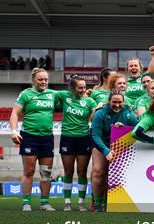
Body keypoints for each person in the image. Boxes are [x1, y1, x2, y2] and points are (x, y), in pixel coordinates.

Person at [9, 68, 56, 211]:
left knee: (46, 172)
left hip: (47, 138)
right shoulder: (26, 94)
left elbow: (73, 97)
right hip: (29, 137)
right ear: (34, 80)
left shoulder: (53, 94)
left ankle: (45, 203)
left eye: (46, 79)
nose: (44, 82)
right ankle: (27, 203)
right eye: (41, 79)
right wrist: (13, 131)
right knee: (29, 171)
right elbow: (14, 113)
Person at [90, 90, 138, 212]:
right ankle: (97, 203)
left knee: (113, 176)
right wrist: (106, 151)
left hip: (120, 146)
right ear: (109, 101)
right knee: (98, 172)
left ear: (124, 102)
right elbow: (95, 135)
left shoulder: (129, 113)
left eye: (120, 102)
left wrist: (124, 129)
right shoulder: (100, 113)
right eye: (114, 102)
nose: (117, 105)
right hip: (102, 145)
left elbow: (136, 129)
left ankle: (108, 202)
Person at [55, 76, 97, 211]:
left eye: (84, 87)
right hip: (67, 138)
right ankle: (67, 202)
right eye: (80, 87)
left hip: (84, 138)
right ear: (72, 88)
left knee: (82, 172)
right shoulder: (64, 95)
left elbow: (96, 116)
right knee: (68, 172)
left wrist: (99, 107)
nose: (83, 90)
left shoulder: (90, 101)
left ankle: (81, 203)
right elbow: (49, 94)